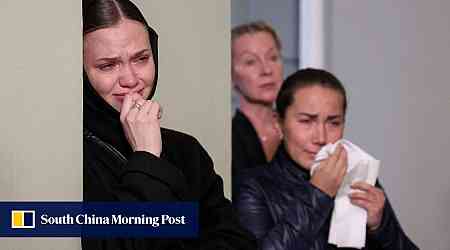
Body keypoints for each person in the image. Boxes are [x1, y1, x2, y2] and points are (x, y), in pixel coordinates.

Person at [82, 0, 256, 249]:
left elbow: (238, 242)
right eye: (108, 65)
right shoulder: (73, 160)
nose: (131, 79)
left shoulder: (185, 150)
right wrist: (146, 157)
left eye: (141, 58)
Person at [234, 68, 419, 249]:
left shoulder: (358, 178)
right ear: (278, 123)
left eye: (333, 123)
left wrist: (382, 227)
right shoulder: (253, 187)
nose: (321, 138)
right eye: (306, 121)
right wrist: (319, 193)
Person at [231, 21, 284, 179]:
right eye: (250, 62)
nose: (266, 70)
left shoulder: (300, 131)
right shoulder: (230, 139)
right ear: (231, 75)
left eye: (273, 58)